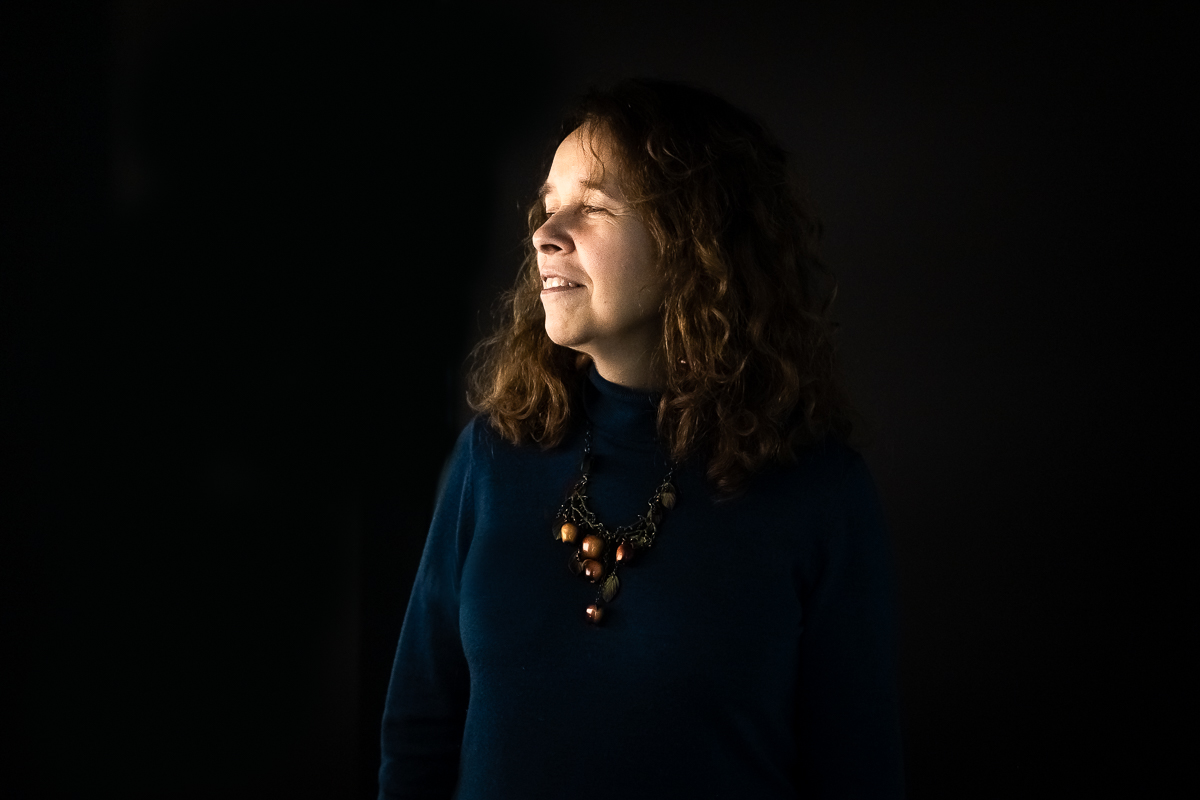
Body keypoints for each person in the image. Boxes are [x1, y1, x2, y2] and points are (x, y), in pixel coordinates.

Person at [378, 78, 904, 799]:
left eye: (592, 207)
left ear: (697, 243)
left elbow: (858, 773)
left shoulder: (817, 489)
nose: (545, 233)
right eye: (548, 204)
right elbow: (418, 731)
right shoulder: (491, 458)